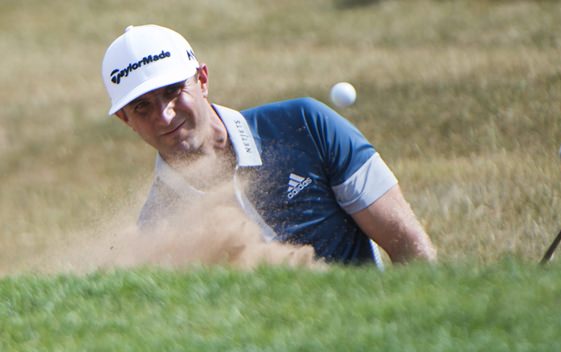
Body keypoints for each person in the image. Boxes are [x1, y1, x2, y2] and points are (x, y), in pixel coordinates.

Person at [101, 24, 436, 266]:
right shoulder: (158, 227)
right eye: (142, 106)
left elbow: (408, 244)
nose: (164, 115)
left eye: (173, 91)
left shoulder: (306, 125)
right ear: (125, 119)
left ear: (201, 80)